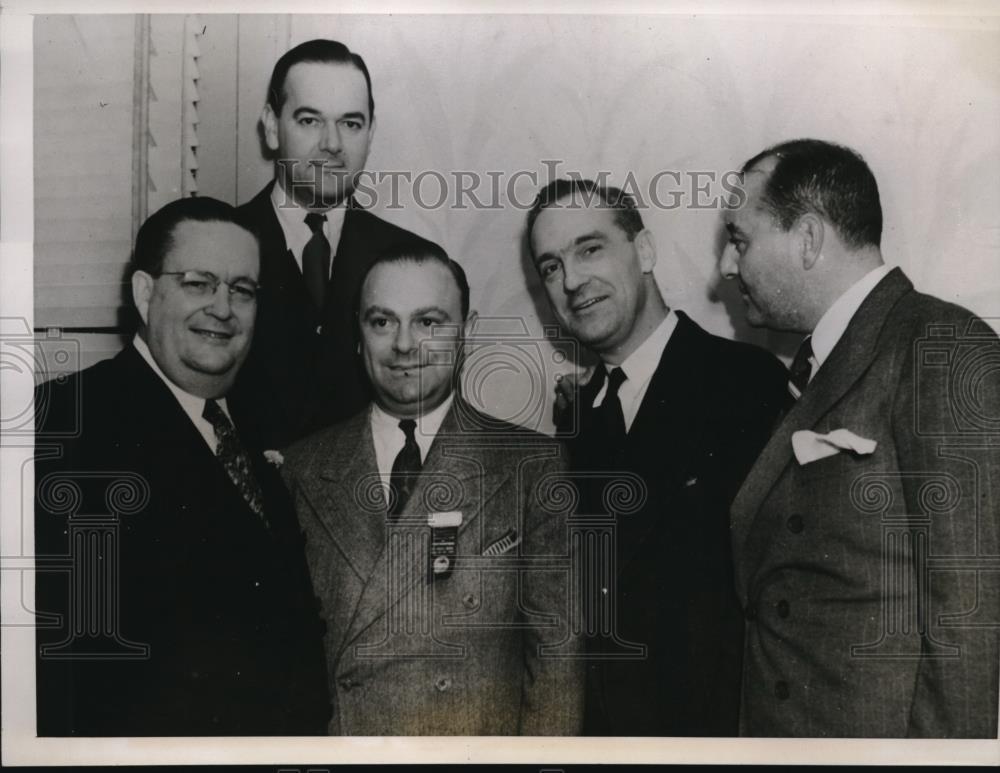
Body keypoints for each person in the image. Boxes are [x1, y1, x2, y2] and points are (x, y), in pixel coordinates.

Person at [720, 138, 1000, 737]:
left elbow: (969, 617)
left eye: (740, 240)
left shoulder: (937, 344)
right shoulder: (815, 366)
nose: (726, 265)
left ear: (809, 239)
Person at [34, 197, 330, 736]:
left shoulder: (253, 429)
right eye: (199, 283)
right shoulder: (65, 426)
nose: (223, 307)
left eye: (242, 290)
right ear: (146, 293)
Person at [282, 239, 584, 735]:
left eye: (428, 322)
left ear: (467, 332)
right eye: (382, 322)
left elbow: (557, 665)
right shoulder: (302, 467)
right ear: (358, 335)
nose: (404, 346)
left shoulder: (533, 466)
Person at [526, 179, 788, 736]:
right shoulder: (576, 424)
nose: (571, 281)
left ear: (644, 250)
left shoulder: (745, 383)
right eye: (551, 267)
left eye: (589, 249)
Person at [232, 38, 424, 447]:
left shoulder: (415, 262)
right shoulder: (217, 248)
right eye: (309, 120)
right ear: (271, 126)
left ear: (371, 133)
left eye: (350, 123)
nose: (332, 144)